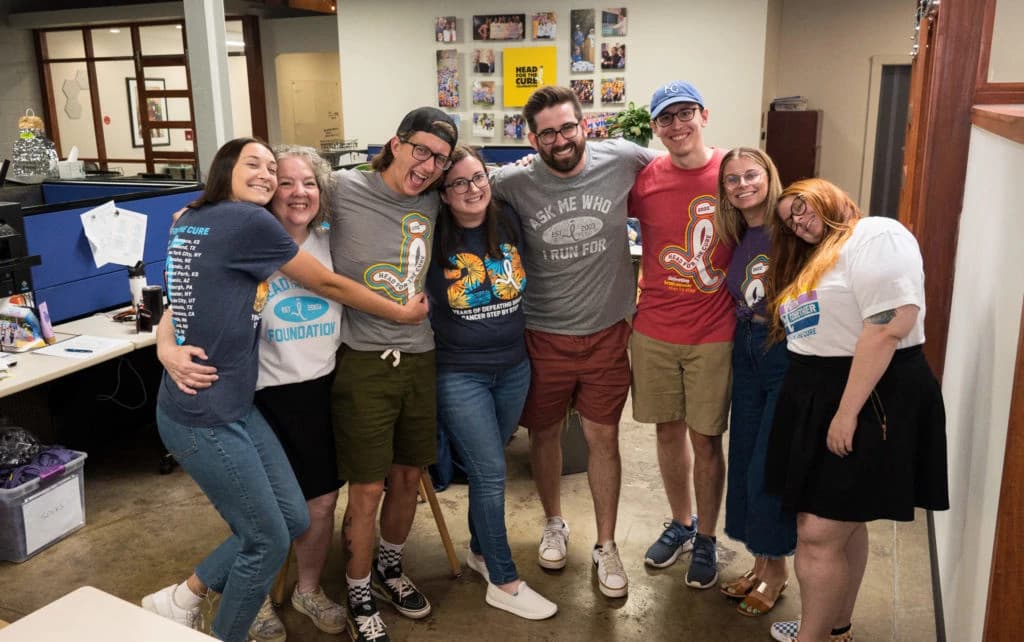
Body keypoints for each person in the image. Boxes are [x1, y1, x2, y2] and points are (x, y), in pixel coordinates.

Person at [142, 138, 426, 642]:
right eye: (261, 167)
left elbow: (188, 293)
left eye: (282, 172)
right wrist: (165, 347)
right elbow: (331, 288)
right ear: (225, 169)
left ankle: (182, 597)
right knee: (265, 537)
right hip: (230, 403)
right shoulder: (249, 225)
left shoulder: (199, 219)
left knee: (293, 515)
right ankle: (227, 620)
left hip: (269, 398)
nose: (276, 180)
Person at [490, 85, 659, 599]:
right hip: (542, 334)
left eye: (567, 127)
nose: (560, 139)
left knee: (603, 438)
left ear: (585, 124)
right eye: (547, 133)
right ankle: (553, 522)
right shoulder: (511, 182)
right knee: (543, 435)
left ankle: (606, 545)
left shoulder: (625, 158)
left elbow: (681, 173)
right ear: (531, 136)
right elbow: (464, 194)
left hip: (609, 332)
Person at [763, 179, 949, 642]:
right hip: (819, 393)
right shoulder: (824, 254)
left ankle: (812, 637)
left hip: (863, 394)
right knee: (845, 523)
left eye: (801, 207)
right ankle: (835, 627)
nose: (798, 222)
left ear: (831, 193)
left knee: (818, 534)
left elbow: (890, 327)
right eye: (789, 220)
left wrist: (846, 413)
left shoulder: (876, 235)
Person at [328, 107, 457, 642]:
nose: (427, 166)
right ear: (396, 144)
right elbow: (273, 189)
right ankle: (357, 588)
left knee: (410, 474)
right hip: (363, 359)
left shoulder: (433, 200)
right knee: (366, 487)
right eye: (421, 150)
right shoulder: (341, 187)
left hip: (420, 355)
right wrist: (199, 211)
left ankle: (389, 567)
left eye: (440, 160)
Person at [426, 145, 557, 620]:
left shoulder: (507, 218)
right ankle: (503, 579)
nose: (471, 189)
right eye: (458, 183)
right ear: (442, 193)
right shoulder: (431, 232)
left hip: (514, 367)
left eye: (477, 177)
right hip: (458, 371)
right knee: (488, 473)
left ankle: (480, 552)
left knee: (491, 464)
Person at [628, 81, 735, 590]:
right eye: (666, 119)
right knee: (666, 431)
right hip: (653, 327)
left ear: (704, 114)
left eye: (685, 113)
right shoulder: (645, 179)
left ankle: (708, 537)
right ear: (655, 128)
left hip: (715, 330)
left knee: (706, 437)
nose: (677, 126)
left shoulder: (733, 174)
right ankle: (682, 522)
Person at [713, 147, 796, 617]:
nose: (742, 185)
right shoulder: (740, 231)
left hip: (782, 349)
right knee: (744, 453)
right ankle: (761, 562)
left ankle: (778, 570)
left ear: (769, 175)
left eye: (751, 175)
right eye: (732, 179)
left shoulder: (790, 227)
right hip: (744, 346)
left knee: (770, 459)